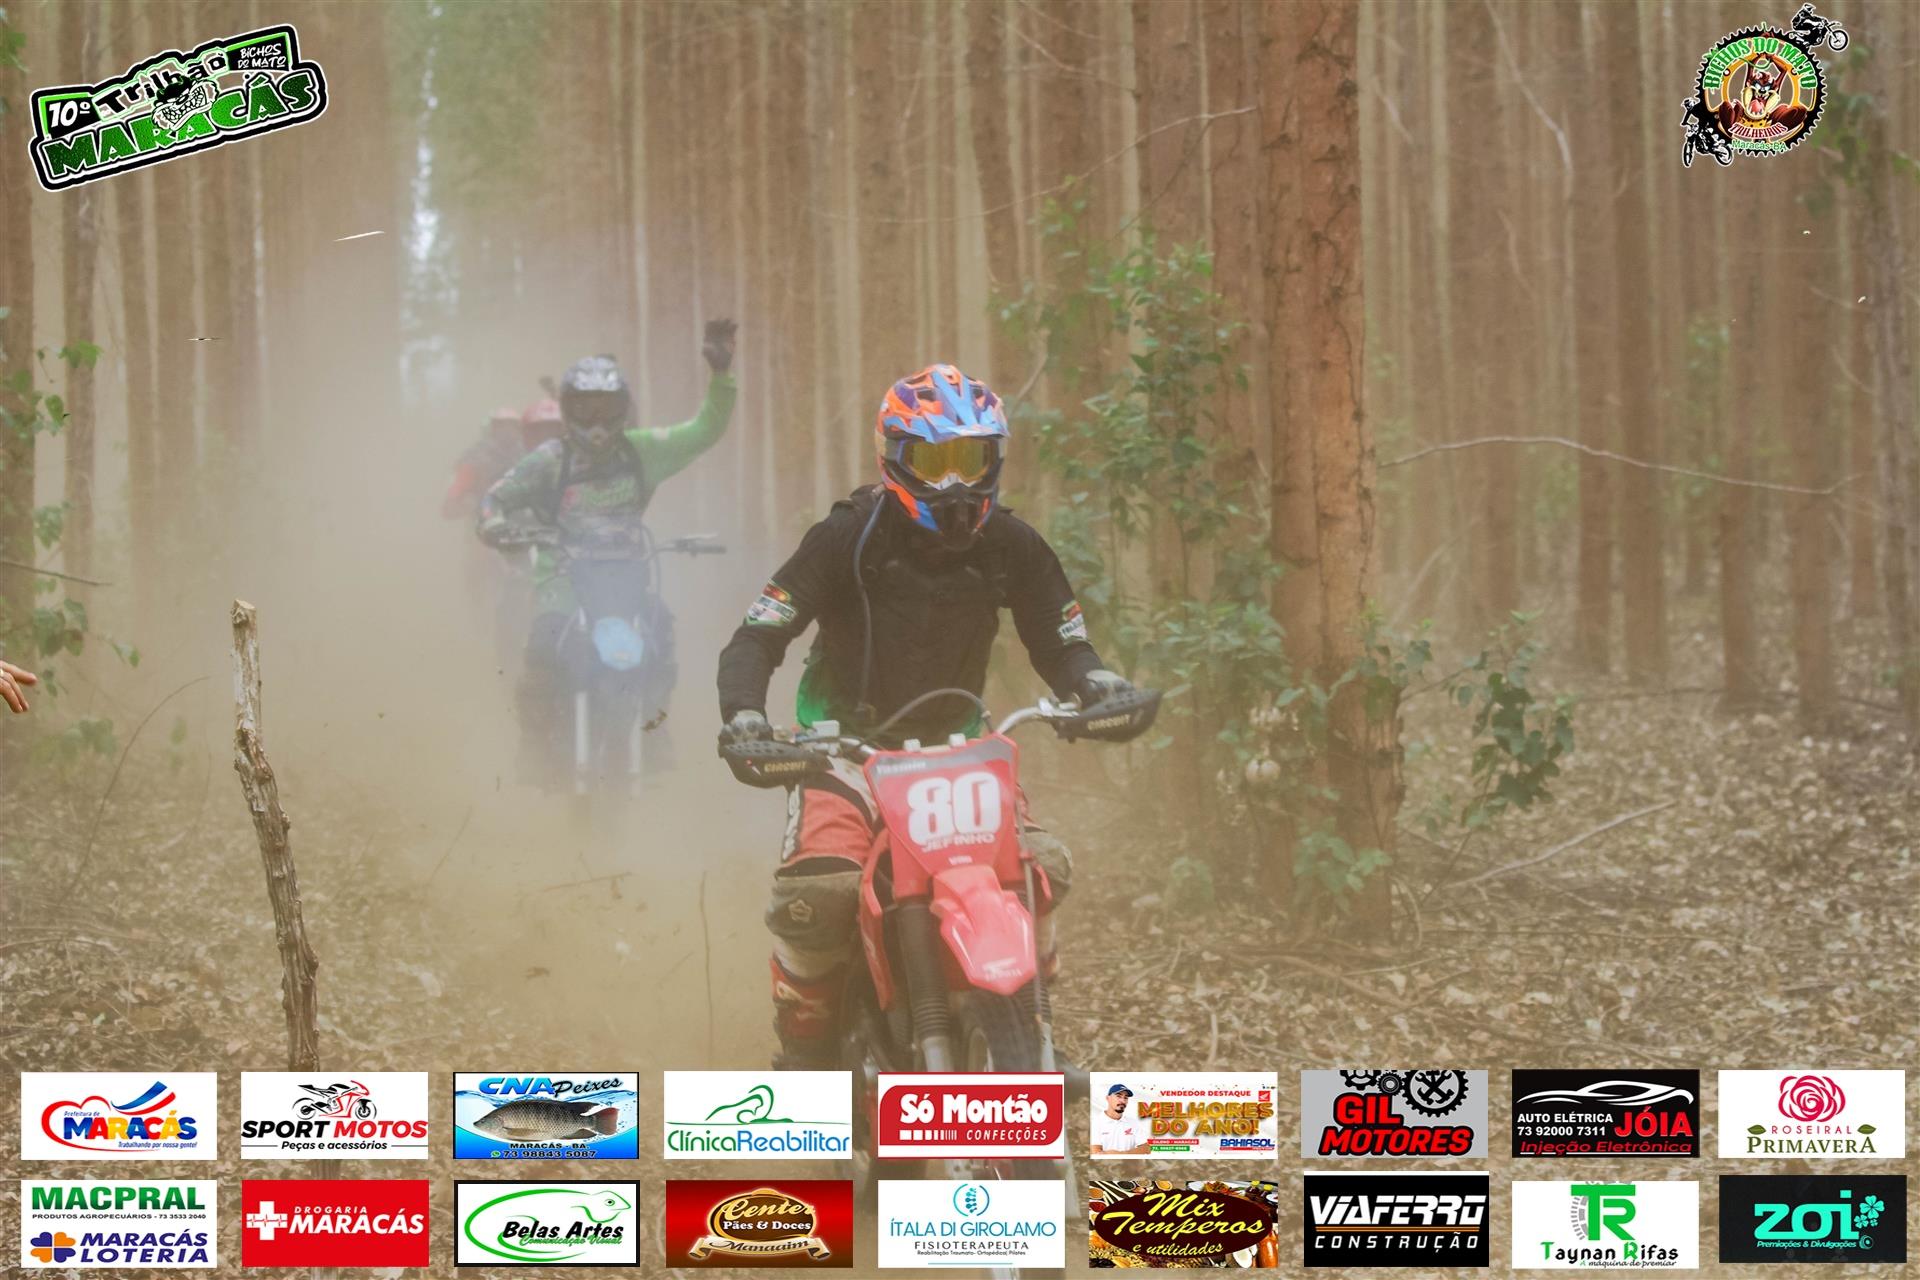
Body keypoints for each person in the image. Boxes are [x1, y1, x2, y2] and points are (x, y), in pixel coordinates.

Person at [716, 362, 1134, 1069]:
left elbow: (1062, 642)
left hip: (959, 748)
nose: (957, 484)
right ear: (897, 460)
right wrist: (746, 715)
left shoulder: (1011, 544)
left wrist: (1096, 683)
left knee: (1042, 871)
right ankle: (806, 1055)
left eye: (971, 459)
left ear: (995, 460)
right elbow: (759, 633)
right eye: (936, 463)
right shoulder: (847, 537)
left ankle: (1033, 1029)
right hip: (842, 748)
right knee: (818, 898)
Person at [480, 321, 738, 777]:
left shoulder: (642, 451)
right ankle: (535, 745)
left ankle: (653, 733)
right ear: (568, 409)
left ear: (624, 409)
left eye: (607, 408)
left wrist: (721, 376)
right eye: (586, 409)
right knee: (543, 647)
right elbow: (495, 497)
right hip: (561, 576)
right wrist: (494, 525)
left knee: (659, 635)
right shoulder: (550, 459)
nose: (597, 422)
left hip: (627, 576)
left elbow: (704, 430)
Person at [442, 406, 528, 519]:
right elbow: (453, 501)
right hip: (487, 521)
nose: (508, 431)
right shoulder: (476, 458)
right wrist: (466, 503)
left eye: (513, 426)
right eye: (502, 426)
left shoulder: (529, 454)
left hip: (525, 521)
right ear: (494, 429)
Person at [1092, 1083, 1150, 1155]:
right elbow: (1095, 1152)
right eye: (1118, 1096)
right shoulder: (1095, 1123)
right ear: (1108, 1098)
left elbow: (1147, 1148)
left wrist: (1124, 1154)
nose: (1123, 1101)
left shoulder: (1133, 1123)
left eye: (1125, 1098)